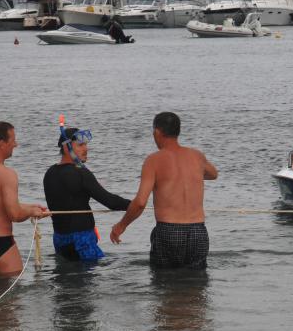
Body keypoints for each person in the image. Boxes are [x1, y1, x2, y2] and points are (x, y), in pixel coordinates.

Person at [110, 112, 218, 269]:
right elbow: (213, 174)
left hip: (169, 230)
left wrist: (121, 226)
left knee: (164, 280)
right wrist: (189, 174)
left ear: (157, 132)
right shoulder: (197, 156)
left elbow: (140, 203)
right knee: (197, 281)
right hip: (198, 231)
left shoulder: (153, 160)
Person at [0, 121, 50, 275]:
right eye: (13, 140)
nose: (16, 144)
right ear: (2, 144)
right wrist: (31, 213)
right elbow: (14, 214)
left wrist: (31, 208)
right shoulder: (7, 174)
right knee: (13, 286)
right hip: (0, 242)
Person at [43, 126, 131, 262]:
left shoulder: (49, 173)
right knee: (90, 273)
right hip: (82, 241)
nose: (86, 149)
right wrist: (136, 205)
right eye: (80, 145)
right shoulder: (81, 173)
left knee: (67, 274)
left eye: (86, 144)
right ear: (66, 148)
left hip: (60, 240)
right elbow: (110, 202)